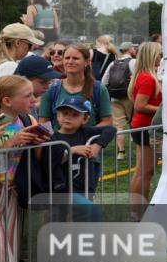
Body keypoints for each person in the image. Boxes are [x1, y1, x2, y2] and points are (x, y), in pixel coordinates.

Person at [0, 75, 49, 262]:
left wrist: (39, 142)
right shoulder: (1, 123)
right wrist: (11, 143)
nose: (33, 99)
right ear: (7, 101)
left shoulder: (27, 119)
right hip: (0, 193)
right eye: (27, 95)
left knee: (11, 259)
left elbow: (35, 158)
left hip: (12, 193)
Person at [38, 42, 112, 199]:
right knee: (56, 202)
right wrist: (59, 141)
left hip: (86, 157)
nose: (70, 61)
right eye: (67, 58)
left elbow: (107, 122)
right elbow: (43, 122)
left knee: (84, 202)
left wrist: (87, 138)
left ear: (87, 62)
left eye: (75, 58)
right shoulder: (53, 89)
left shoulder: (98, 89)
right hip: (58, 157)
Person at [50, 96, 117, 202]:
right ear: (58, 116)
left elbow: (110, 129)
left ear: (85, 119)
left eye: (75, 115)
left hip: (86, 187)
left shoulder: (86, 132)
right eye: (65, 113)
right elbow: (52, 162)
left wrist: (98, 145)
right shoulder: (53, 138)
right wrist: (72, 150)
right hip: (63, 190)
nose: (68, 117)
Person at [128, 42, 162, 209]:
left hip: (142, 127)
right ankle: (139, 209)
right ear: (151, 56)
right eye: (159, 54)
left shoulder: (143, 75)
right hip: (146, 128)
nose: (162, 57)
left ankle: (137, 209)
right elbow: (140, 105)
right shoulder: (148, 78)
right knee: (145, 172)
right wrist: (164, 110)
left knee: (142, 171)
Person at [101, 42, 137, 161]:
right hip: (130, 97)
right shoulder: (134, 62)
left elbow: (104, 82)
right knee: (134, 122)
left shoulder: (113, 63)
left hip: (114, 97)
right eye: (133, 48)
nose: (135, 50)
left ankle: (121, 152)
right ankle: (139, 146)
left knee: (118, 126)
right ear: (130, 49)